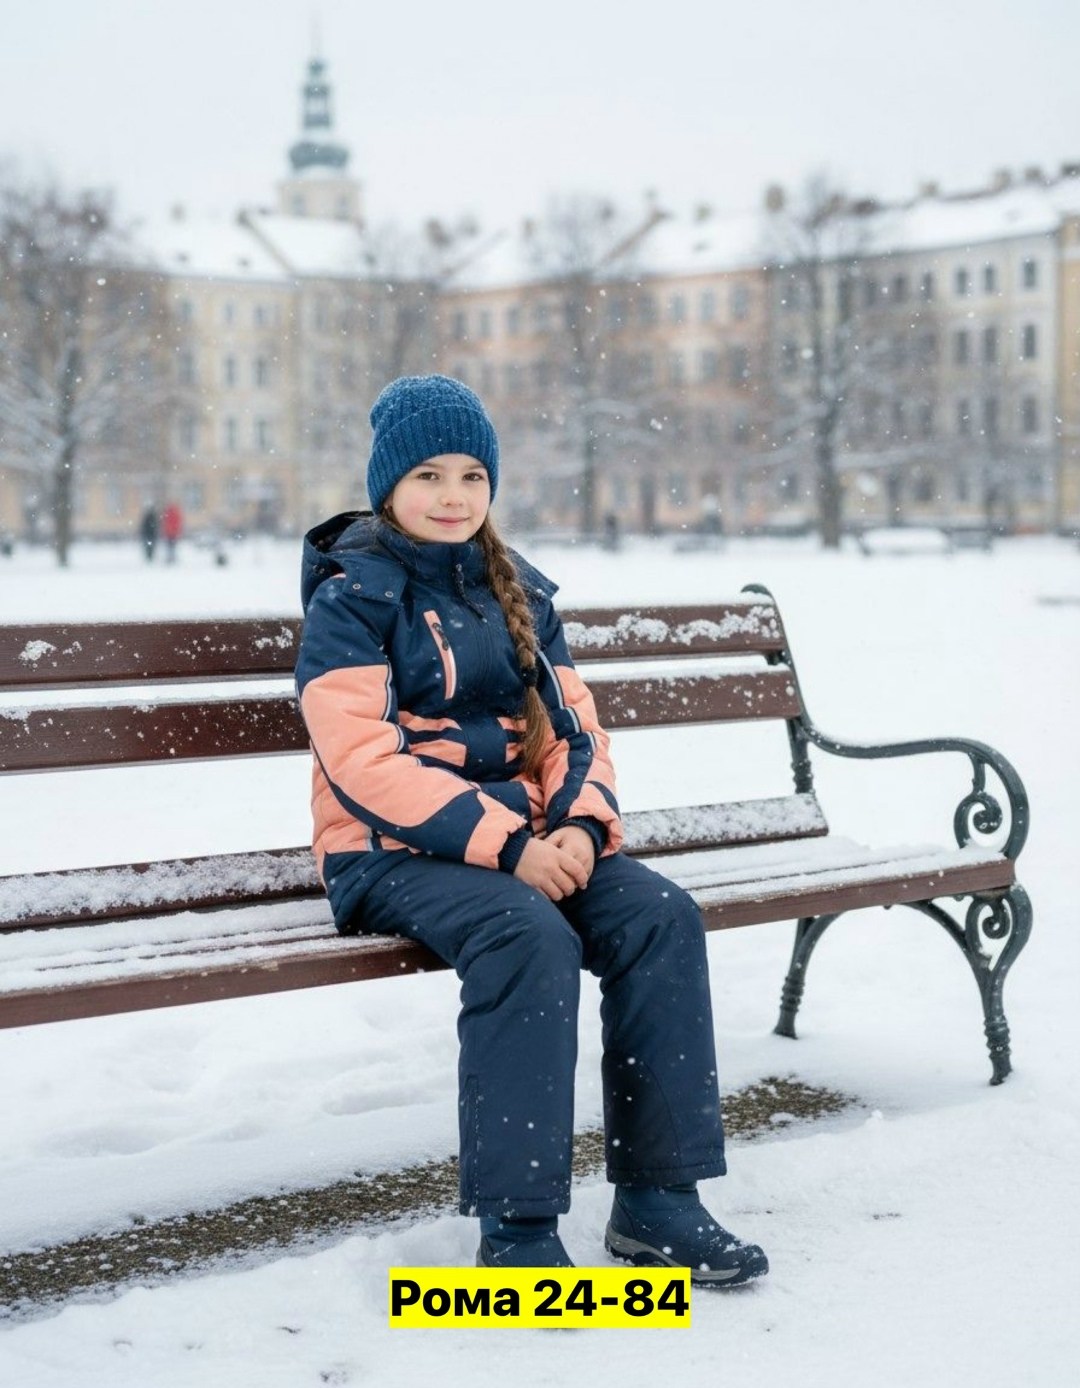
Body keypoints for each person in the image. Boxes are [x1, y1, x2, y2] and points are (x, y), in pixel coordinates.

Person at [295, 376, 768, 1285]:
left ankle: (658, 1205)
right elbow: (362, 761)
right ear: (387, 486)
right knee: (526, 935)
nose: (453, 496)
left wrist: (582, 831)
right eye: (429, 475)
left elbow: (577, 732)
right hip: (388, 851)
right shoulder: (353, 598)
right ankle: (517, 1237)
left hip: (529, 843)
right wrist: (512, 847)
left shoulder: (517, 593)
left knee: (658, 916)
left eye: (473, 476)